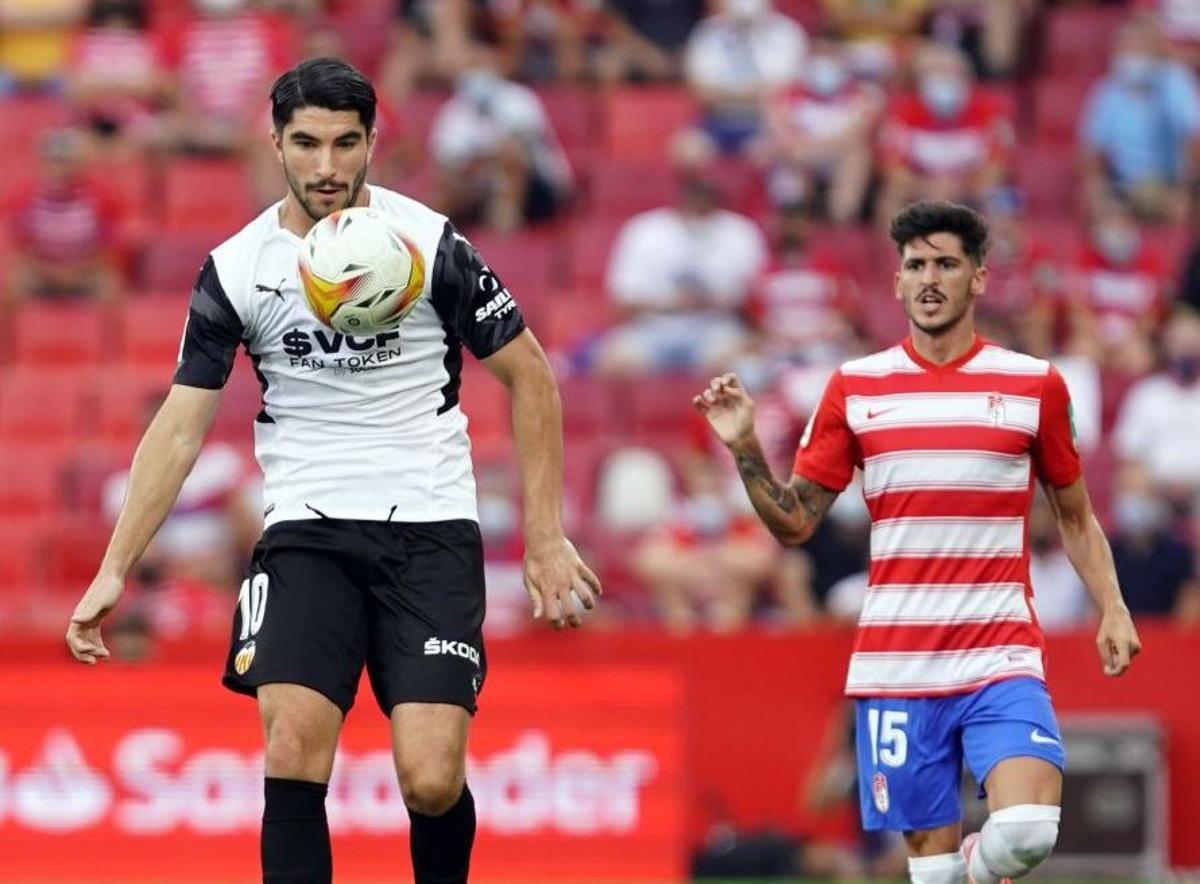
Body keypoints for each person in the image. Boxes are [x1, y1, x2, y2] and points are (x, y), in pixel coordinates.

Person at [65, 56, 601, 884]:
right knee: (291, 746)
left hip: (429, 524)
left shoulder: (428, 243)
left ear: (372, 141)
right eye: (307, 143)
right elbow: (179, 427)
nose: (327, 167)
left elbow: (530, 372)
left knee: (429, 779)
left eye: (346, 144)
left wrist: (545, 538)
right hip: (305, 528)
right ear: (274, 142)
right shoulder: (238, 269)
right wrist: (115, 567)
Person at [694, 200, 1142, 884]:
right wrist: (747, 449)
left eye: (946, 264)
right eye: (915, 265)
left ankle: (975, 864)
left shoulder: (1034, 386)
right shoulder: (854, 388)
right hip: (898, 668)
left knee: (1026, 832)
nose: (929, 278)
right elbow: (795, 522)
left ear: (979, 278)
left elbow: (1076, 516)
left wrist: (1111, 605)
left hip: (1000, 654)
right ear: (897, 281)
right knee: (927, 876)